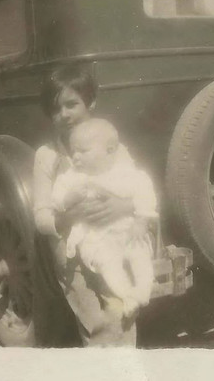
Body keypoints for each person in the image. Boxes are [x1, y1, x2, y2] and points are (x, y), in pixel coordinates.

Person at [33, 65, 149, 346]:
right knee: (96, 321)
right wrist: (69, 216)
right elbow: (41, 217)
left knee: (121, 307)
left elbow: (136, 186)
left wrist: (123, 207)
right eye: (56, 108)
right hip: (72, 244)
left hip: (116, 236)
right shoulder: (47, 156)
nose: (64, 114)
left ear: (91, 103)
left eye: (72, 104)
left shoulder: (112, 146)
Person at [50, 118, 158, 319]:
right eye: (73, 151)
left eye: (83, 151)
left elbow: (144, 191)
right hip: (97, 238)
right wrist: (69, 198)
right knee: (109, 267)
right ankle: (127, 295)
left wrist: (141, 221)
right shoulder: (72, 178)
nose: (75, 157)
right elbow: (55, 200)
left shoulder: (125, 172)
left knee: (141, 257)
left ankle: (143, 291)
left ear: (109, 150)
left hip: (128, 231)